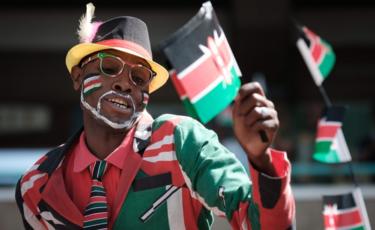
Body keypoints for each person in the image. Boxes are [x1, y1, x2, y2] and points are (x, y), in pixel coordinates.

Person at [15, 3, 295, 230]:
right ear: (78, 77)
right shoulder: (37, 184)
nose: (125, 84)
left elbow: (262, 225)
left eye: (139, 77)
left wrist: (261, 160)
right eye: (109, 67)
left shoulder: (181, 141)